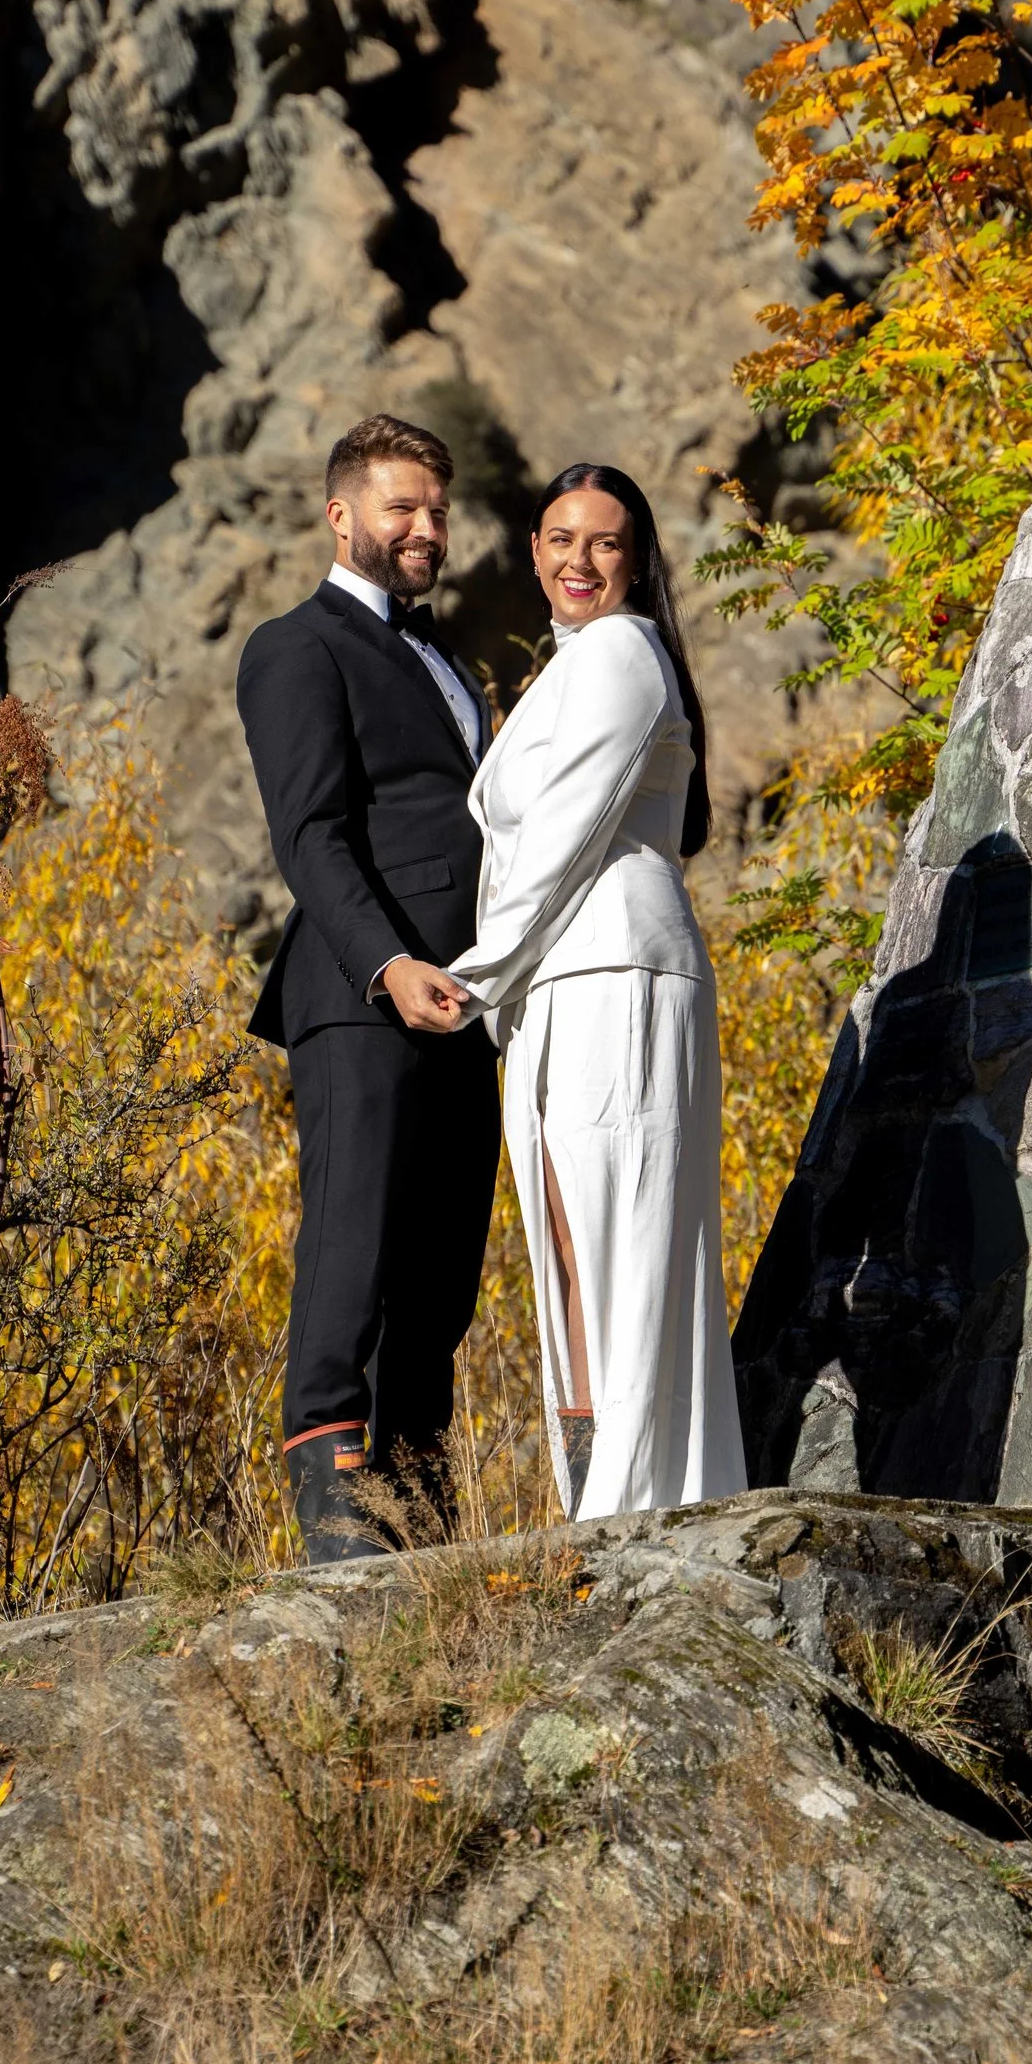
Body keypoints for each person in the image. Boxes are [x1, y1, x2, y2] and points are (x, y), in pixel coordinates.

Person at [442, 465, 746, 1519]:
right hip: (552, 988)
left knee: (619, 1240)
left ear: (635, 559)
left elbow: (567, 832)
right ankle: (598, 1504)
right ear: (532, 550)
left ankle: (633, 1502)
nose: (579, 561)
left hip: (615, 976)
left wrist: (473, 975)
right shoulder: (566, 671)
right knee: (571, 1252)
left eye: (605, 543)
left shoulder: (622, 653)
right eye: (560, 539)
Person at [235, 414, 500, 1562]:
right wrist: (388, 965)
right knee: (354, 1247)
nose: (424, 529)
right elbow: (312, 835)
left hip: (468, 1004)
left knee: (441, 1278)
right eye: (401, 508)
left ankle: (415, 1515)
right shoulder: (297, 647)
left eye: (436, 510)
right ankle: (336, 1524)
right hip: (361, 992)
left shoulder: (449, 660)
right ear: (341, 515)